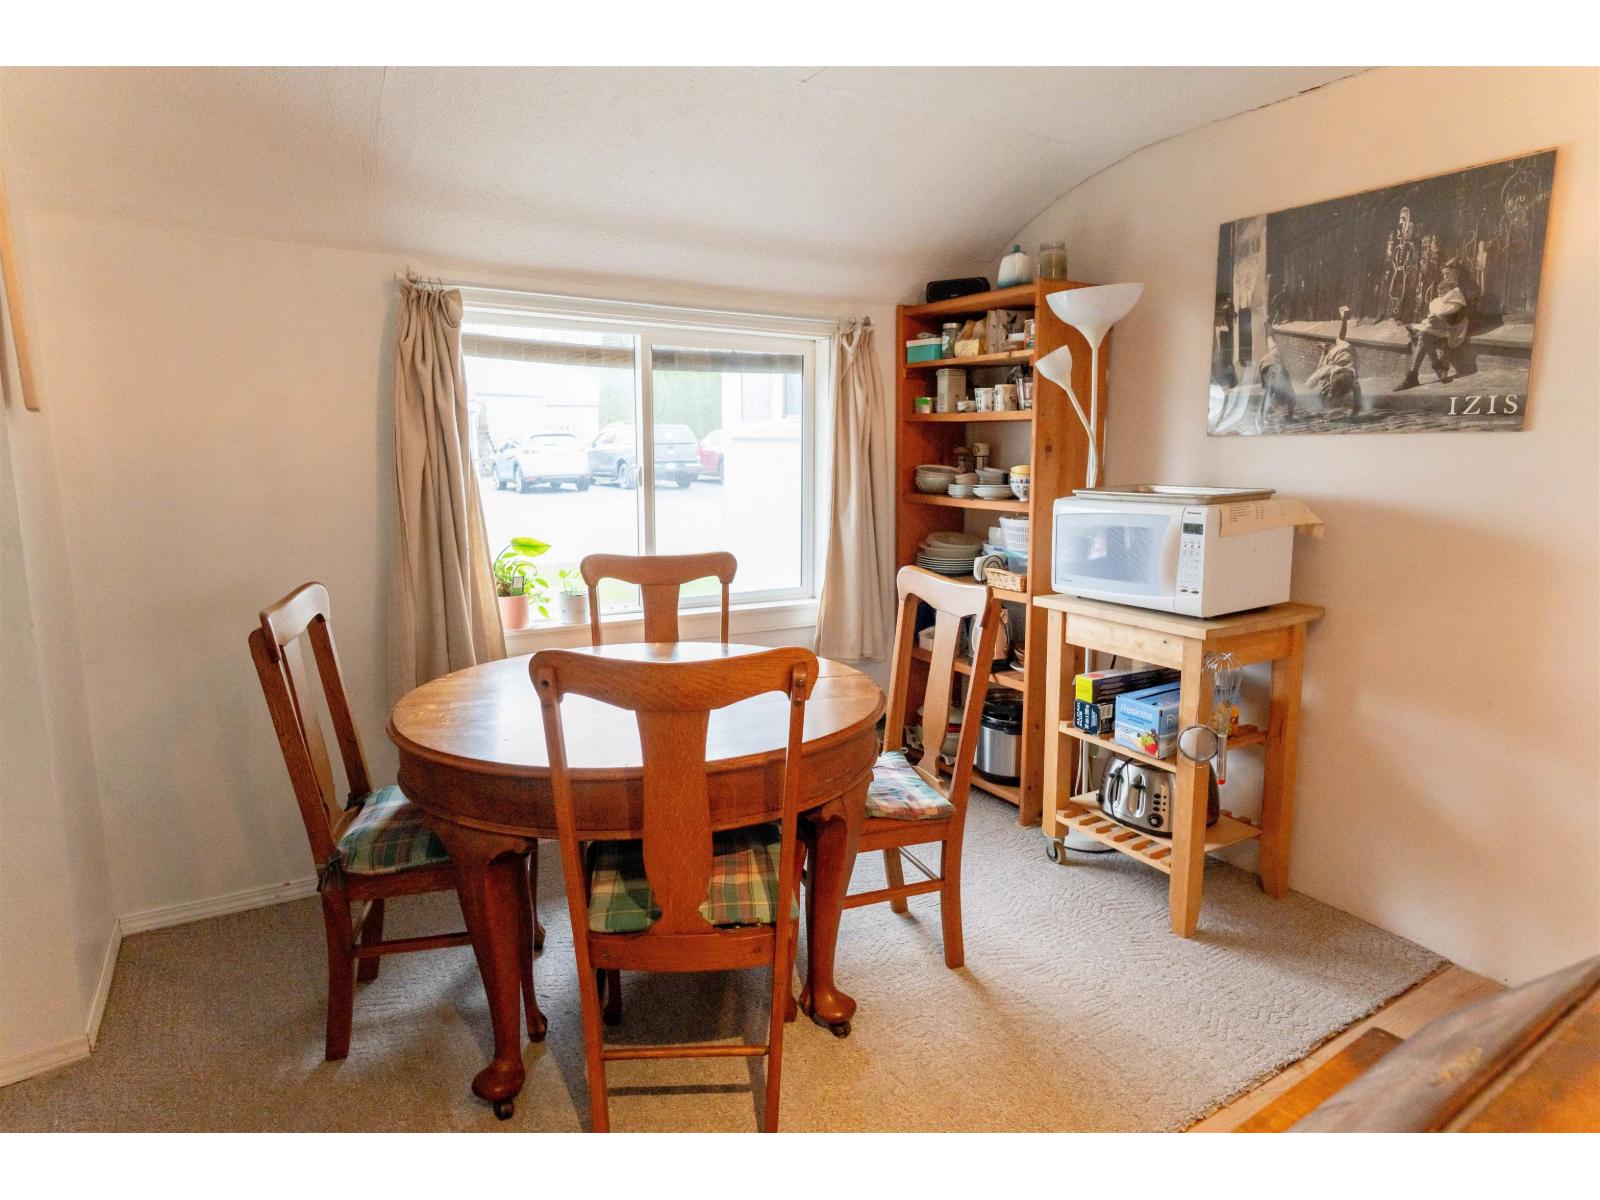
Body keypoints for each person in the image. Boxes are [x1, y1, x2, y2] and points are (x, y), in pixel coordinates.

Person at [1397, 258, 1475, 391]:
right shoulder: (1447, 287)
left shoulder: (1467, 288)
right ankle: (1421, 372)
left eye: (1447, 273)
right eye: (1444, 274)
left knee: (1424, 335)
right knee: (1424, 335)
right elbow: (1441, 303)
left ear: (1457, 272)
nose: (1445, 277)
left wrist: (1444, 318)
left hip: (1457, 327)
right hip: (1443, 326)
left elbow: (1466, 311)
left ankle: (1415, 375)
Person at [1305, 305, 1361, 419]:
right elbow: (1357, 398)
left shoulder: (1352, 382)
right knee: (1320, 370)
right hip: (1339, 355)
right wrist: (1355, 413)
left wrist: (1310, 384)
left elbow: (1357, 398)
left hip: (1350, 353)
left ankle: (1343, 319)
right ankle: (1325, 349)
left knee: (1339, 339)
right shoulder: (1352, 382)